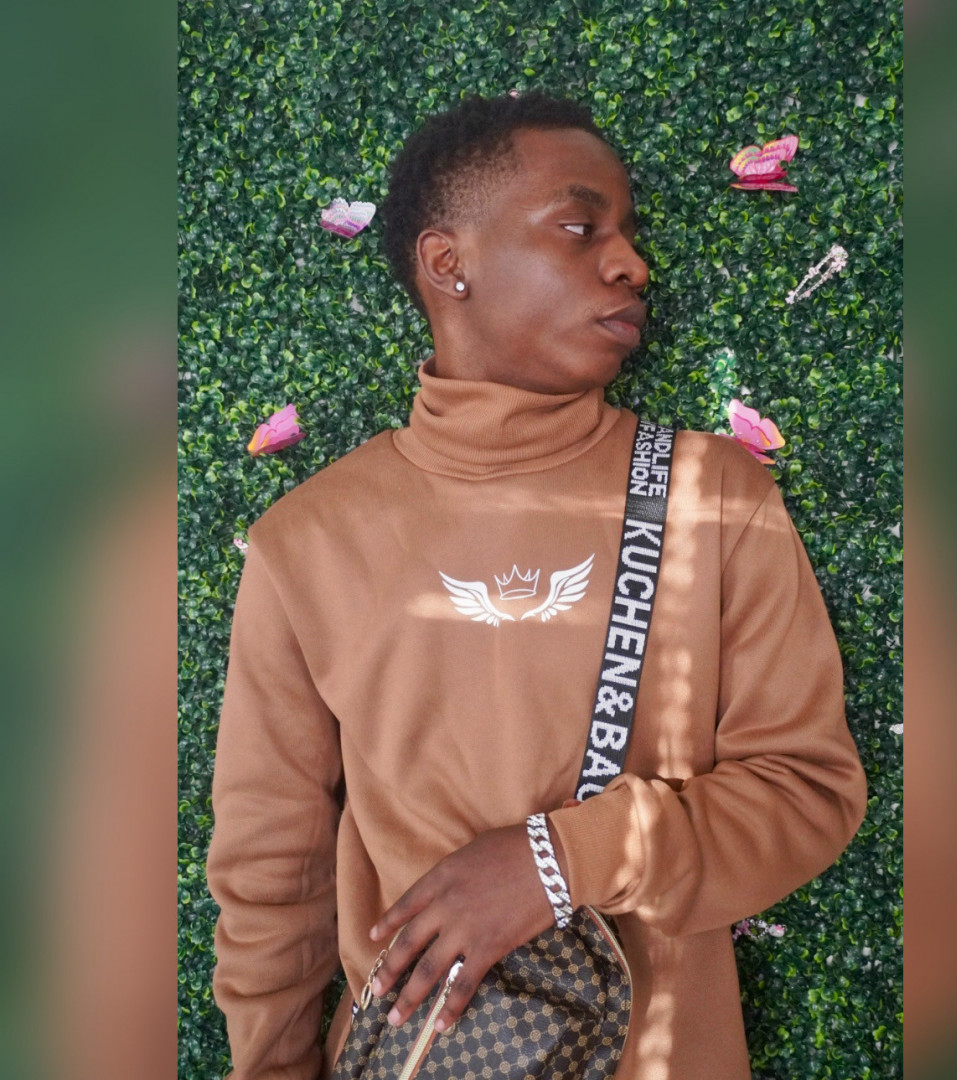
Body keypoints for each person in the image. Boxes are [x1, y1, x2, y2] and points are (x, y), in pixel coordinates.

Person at [206, 91, 868, 1080]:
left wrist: (559, 860)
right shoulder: (306, 542)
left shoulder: (712, 495)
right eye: (580, 227)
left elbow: (809, 792)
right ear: (449, 263)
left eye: (630, 235)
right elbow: (270, 867)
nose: (632, 264)